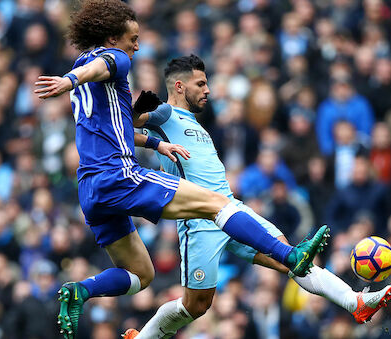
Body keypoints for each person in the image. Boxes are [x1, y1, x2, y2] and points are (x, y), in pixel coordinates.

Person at [33, 1, 325, 338]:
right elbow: (104, 64)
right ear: (113, 38)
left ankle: (81, 290)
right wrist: (69, 80)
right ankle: (291, 254)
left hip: (89, 188)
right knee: (217, 203)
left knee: (141, 274)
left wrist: (158, 145)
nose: (137, 45)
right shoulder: (114, 59)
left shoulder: (86, 69)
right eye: (133, 37)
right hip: (117, 174)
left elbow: (116, 125)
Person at [122, 55, 391, 339]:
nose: (208, 90)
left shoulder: (194, 121)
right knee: (196, 306)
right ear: (179, 86)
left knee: (292, 258)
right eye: (201, 84)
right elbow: (125, 128)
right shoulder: (166, 113)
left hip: (231, 210)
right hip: (200, 222)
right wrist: (137, 116)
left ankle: (355, 302)